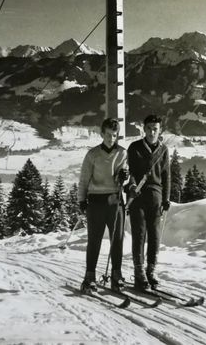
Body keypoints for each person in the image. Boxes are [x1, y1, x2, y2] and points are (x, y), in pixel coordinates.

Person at [78, 118, 129, 293]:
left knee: (118, 240)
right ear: (102, 134)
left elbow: (126, 177)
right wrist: (81, 200)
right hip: (96, 201)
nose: (111, 139)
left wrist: (124, 176)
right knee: (94, 240)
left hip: (115, 200)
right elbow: (84, 179)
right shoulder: (92, 154)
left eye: (114, 135)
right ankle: (89, 276)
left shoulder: (122, 153)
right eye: (108, 135)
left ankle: (116, 275)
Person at [127, 114, 171, 290]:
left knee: (154, 236)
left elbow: (167, 176)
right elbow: (129, 172)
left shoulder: (163, 150)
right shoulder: (134, 148)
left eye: (155, 129)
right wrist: (131, 187)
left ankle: (151, 271)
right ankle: (139, 274)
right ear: (143, 129)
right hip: (138, 197)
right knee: (139, 235)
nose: (152, 132)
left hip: (156, 197)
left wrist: (166, 198)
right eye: (149, 128)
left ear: (159, 131)